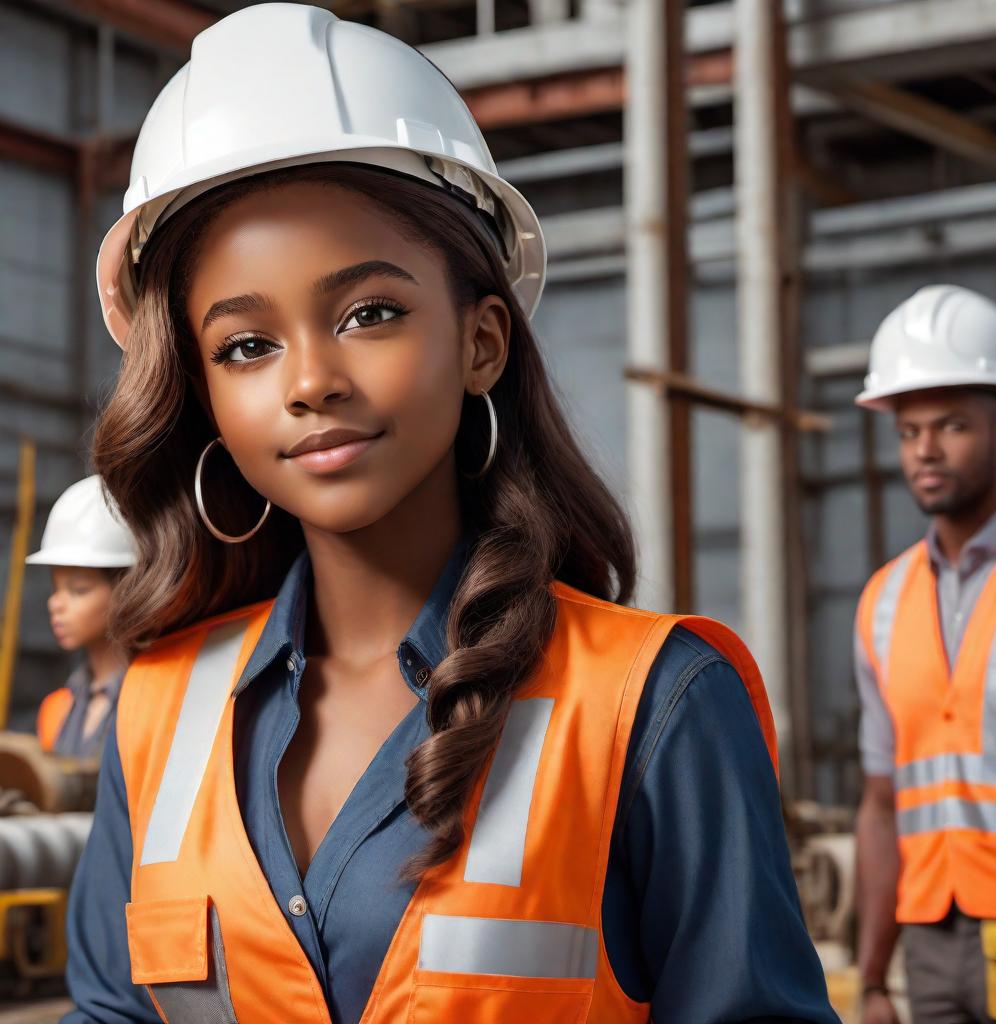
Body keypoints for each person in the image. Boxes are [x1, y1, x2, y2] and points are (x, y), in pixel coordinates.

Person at [62, 6, 838, 1022]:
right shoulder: (155, 714)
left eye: (368, 313)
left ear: (481, 341)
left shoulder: (653, 706)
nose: (310, 381)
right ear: (201, 391)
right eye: (246, 345)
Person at [853, 285, 996, 1024]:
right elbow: (882, 803)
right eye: (908, 430)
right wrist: (872, 979)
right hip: (928, 941)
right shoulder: (882, 602)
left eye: (951, 426)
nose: (925, 449)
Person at [27, 475, 135, 759]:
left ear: (127, 588)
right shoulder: (57, 710)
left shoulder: (151, 703)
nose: (56, 604)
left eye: (78, 590)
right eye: (55, 588)